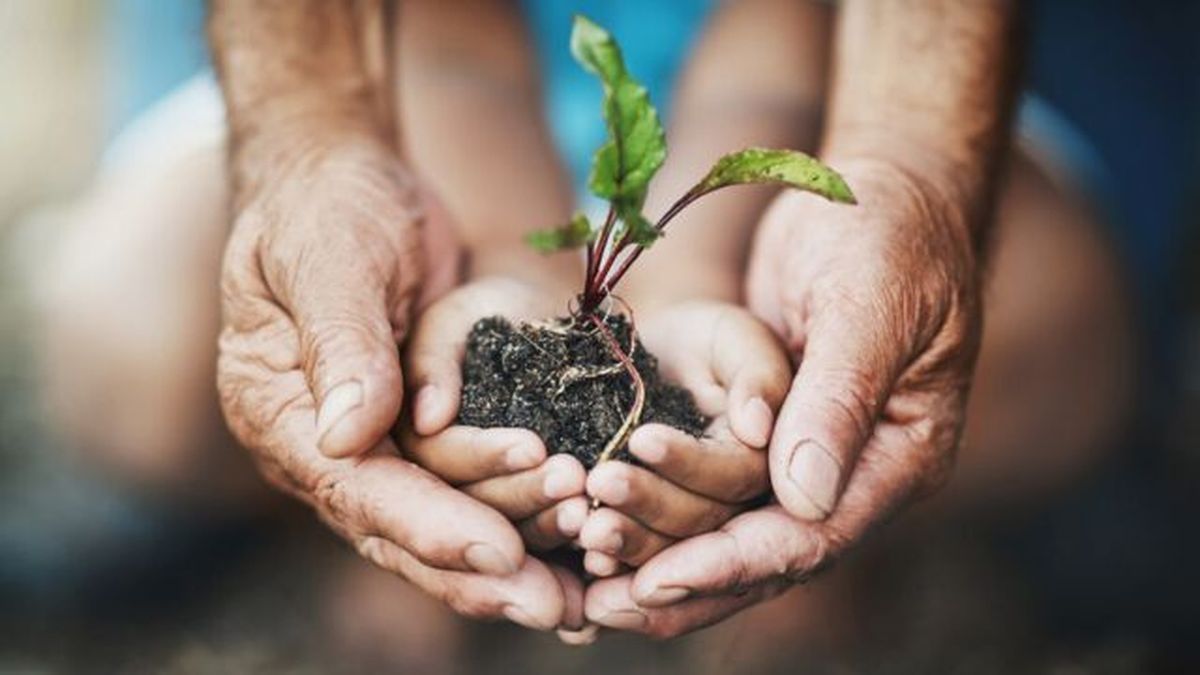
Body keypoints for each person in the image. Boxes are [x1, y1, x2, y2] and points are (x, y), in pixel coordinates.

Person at [39, 0, 1133, 654]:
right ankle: (356, 522)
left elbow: (781, 59)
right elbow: (442, 43)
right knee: (142, 334)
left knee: (1046, 331)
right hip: (403, 93)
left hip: (820, 87)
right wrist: (505, 261)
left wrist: (700, 272)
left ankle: (841, 549)